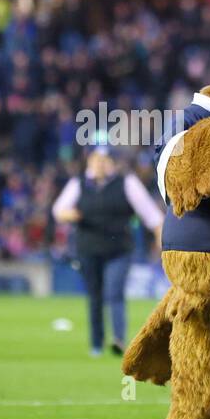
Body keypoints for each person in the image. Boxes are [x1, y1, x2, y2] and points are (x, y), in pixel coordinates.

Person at [53, 146, 163, 356]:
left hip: (118, 248)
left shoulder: (127, 182)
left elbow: (150, 213)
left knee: (114, 292)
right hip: (89, 248)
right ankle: (96, 344)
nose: (99, 165)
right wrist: (68, 215)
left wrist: (159, 234)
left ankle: (118, 339)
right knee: (94, 296)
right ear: (89, 163)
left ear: (112, 163)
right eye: (96, 160)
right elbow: (59, 210)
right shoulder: (79, 183)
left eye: (104, 160)